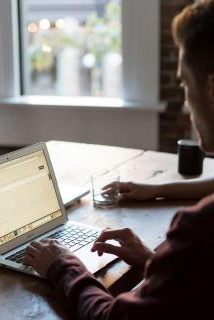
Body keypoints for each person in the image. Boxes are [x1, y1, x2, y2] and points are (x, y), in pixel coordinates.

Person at [24, 1, 214, 319]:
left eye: (184, 83)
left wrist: (62, 265)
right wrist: (156, 261)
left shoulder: (200, 229)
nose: (185, 106)